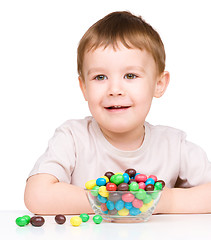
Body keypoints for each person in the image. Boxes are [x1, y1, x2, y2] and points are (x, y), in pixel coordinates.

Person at [24, 11, 211, 215]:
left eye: (130, 75)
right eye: (100, 77)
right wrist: (115, 201)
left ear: (159, 84)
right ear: (84, 87)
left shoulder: (173, 145)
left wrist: (161, 201)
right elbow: (37, 195)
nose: (115, 89)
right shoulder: (73, 138)